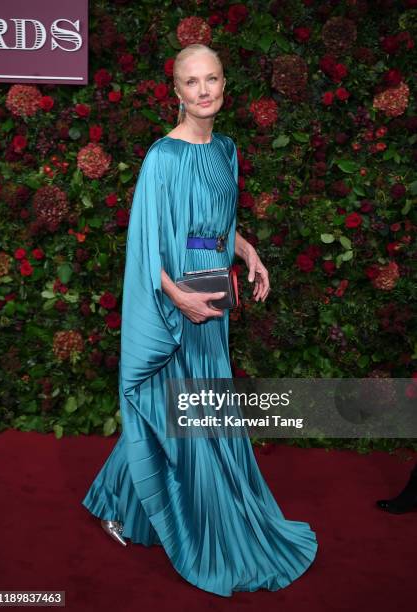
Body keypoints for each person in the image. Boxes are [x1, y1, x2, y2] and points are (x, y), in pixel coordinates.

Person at [82, 43, 318, 597]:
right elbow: (144, 245)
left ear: (224, 86)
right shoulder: (161, 157)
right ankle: (150, 510)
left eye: (211, 79)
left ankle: (116, 502)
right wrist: (175, 297)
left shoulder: (227, 151)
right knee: (178, 412)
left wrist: (247, 250)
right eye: (192, 82)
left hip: (212, 303)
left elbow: (212, 227)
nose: (203, 90)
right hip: (174, 306)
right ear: (177, 91)